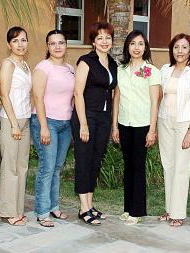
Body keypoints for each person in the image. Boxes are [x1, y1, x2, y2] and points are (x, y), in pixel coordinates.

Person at [112, 30, 161, 225]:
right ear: (127, 47)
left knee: (138, 167)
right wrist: (114, 126)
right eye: (133, 43)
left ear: (145, 47)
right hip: (124, 123)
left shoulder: (151, 71)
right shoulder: (121, 70)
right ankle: (128, 208)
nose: (136, 47)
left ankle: (137, 210)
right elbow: (117, 98)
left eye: (140, 44)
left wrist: (152, 130)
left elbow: (154, 102)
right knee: (128, 166)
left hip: (142, 125)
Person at [157, 33, 190, 227]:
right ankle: (169, 209)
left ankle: (178, 213)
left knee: (181, 167)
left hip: (185, 123)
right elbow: (159, 96)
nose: (180, 51)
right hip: (165, 121)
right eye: (176, 47)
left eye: (184, 47)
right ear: (172, 49)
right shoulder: (165, 69)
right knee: (168, 165)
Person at [71, 21, 117, 226]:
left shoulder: (113, 63)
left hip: (104, 118)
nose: (104, 41)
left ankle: (90, 205)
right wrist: (83, 124)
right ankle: (83, 208)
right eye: (100, 38)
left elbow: (114, 92)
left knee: (95, 160)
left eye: (107, 38)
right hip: (86, 116)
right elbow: (78, 93)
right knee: (84, 160)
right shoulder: (86, 61)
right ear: (93, 41)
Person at [31, 30, 75, 227]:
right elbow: (37, 98)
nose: (57, 47)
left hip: (65, 124)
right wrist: (43, 127)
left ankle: (54, 206)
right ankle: (42, 211)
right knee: (47, 168)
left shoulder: (70, 68)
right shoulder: (42, 67)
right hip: (46, 122)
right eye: (53, 43)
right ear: (47, 46)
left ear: (66, 45)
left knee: (57, 168)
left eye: (61, 42)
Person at [0, 26, 32, 226]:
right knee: (10, 167)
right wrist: (13, 125)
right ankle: (8, 211)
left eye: (24, 40)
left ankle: (18, 209)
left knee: (22, 167)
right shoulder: (8, 64)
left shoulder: (25, 65)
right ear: (9, 44)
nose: (20, 44)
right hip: (11, 121)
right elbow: (4, 95)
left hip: (25, 120)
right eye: (16, 40)